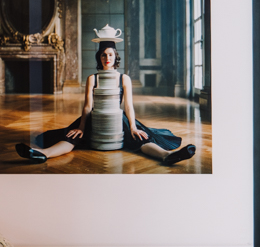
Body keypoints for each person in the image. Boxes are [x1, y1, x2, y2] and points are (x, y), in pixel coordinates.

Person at [16, 41, 196, 167]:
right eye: (103, 54)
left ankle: (167, 156)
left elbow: (128, 106)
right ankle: (42, 154)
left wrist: (133, 126)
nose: (106, 57)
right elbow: (87, 106)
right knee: (73, 137)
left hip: (119, 117)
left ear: (115, 56)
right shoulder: (92, 78)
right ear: (99, 57)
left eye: (110, 54)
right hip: (95, 117)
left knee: (139, 137)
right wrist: (81, 126)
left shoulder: (124, 78)